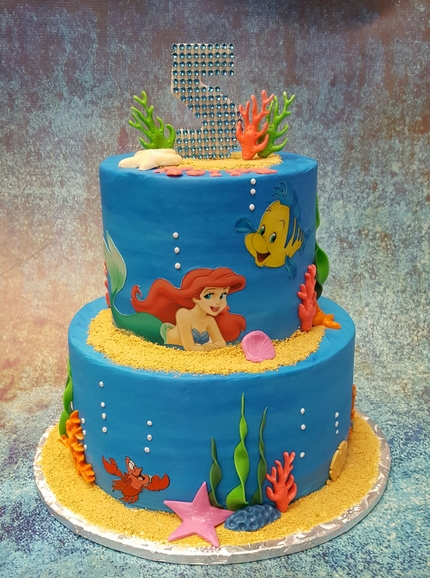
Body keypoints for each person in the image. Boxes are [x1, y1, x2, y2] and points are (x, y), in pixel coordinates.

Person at [131, 268, 246, 351]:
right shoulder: (183, 314)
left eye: (223, 295)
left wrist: (214, 345)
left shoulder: (209, 320)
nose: (218, 302)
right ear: (195, 298)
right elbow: (189, 347)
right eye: (209, 295)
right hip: (161, 337)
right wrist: (208, 347)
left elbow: (221, 342)